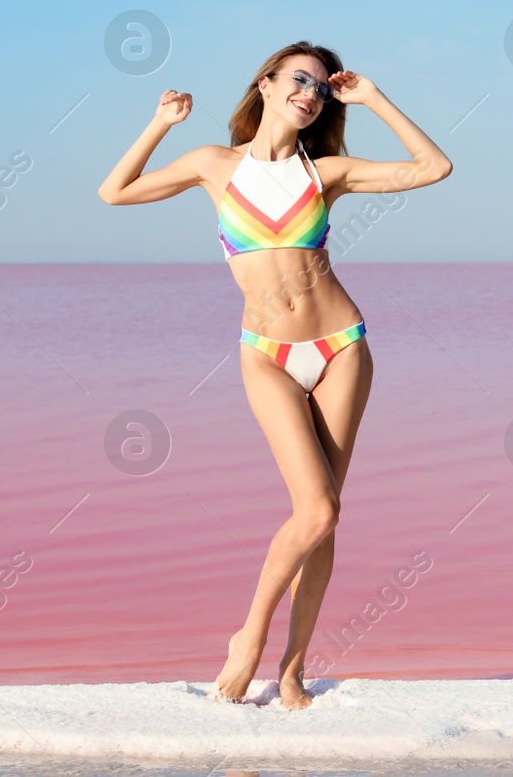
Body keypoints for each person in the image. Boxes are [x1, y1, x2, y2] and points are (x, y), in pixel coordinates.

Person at [97, 41, 452, 708]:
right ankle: (249, 638)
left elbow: (435, 166)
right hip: (268, 355)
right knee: (315, 507)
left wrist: (371, 97)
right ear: (265, 82)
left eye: (320, 87)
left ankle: (291, 668)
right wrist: (161, 124)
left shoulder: (328, 172)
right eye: (300, 79)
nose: (311, 93)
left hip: (341, 348)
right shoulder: (213, 165)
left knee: (324, 517)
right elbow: (113, 192)